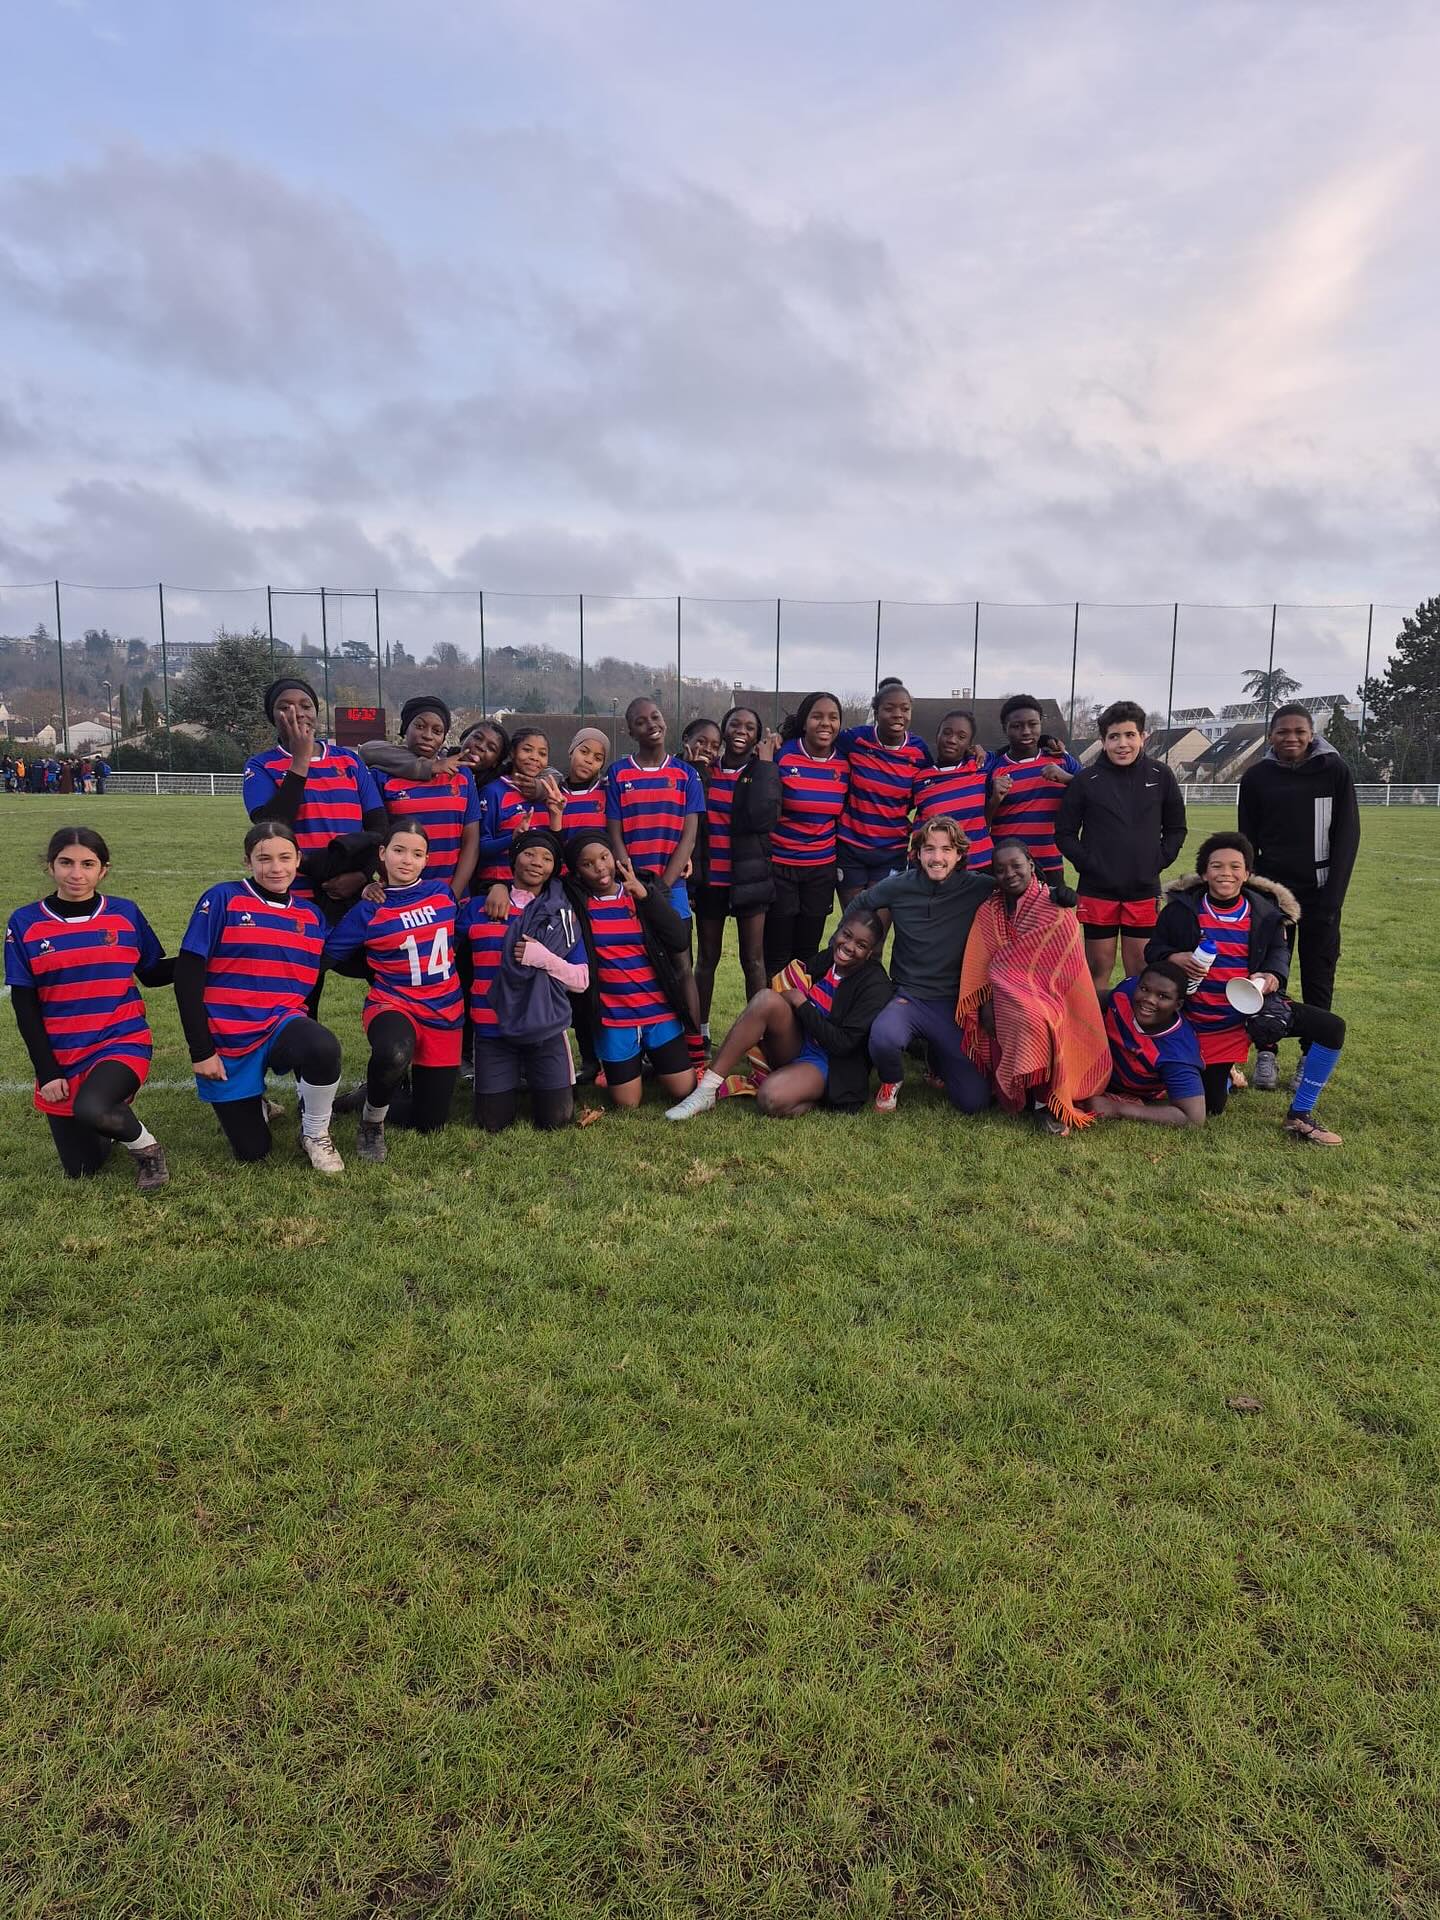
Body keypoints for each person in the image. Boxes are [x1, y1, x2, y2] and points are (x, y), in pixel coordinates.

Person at [1147, 831, 1343, 1143]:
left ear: (1248, 873)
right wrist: (1174, 956)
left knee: (1331, 1028)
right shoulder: (1181, 910)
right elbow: (1152, 951)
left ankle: (1299, 1115)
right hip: (1204, 1025)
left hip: (1252, 1012)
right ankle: (1222, 1074)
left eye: (1236, 867)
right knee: (1211, 1108)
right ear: (1203, 872)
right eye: (1217, 866)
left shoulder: (1265, 913)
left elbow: (1279, 953)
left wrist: (1272, 977)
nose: (1226, 873)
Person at [5, 826, 172, 1189]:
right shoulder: (26, 923)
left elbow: (155, 972)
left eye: (87, 864)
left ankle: (147, 1149)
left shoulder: (125, 913)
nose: (76, 874)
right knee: (82, 1168)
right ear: (50, 866)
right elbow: (25, 1003)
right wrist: (47, 1072)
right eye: (66, 863)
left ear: (103, 870)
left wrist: (207, 958)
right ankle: (107, 1120)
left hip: (121, 1040)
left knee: (92, 1107)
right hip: (63, 1051)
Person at [175, 821, 346, 1172]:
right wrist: (202, 1051)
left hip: (280, 1022)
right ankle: (256, 1102)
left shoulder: (310, 915)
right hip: (228, 1033)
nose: (276, 868)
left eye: (285, 857)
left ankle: (314, 1132)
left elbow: (322, 970)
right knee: (253, 1151)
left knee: (323, 1046)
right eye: (264, 858)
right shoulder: (222, 898)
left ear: (298, 859)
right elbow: (187, 976)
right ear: (247, 861)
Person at [322, 821, 463, 1161]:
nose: (406, 860)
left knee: (430, 1122)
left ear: (427, 860)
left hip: (446, 1011)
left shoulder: (442, 895)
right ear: (383, 854)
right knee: (393, 1052)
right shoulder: (370, 907)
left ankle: (372, 1094)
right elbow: (330, 956)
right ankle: (372, 1124)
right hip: (394, 1003)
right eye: (399, 851)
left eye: (416, 854)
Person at [666, 907, 892, 1119]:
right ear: (839, 931)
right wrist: (790, 999)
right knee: (766, 998)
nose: (849, 946)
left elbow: (843, 1044)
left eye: (861, 945)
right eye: (847, 935)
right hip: (798, 1040)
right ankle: (706, 1090)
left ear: (870, 952)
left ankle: (815, 1096)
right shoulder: (828, 958)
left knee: (770, 1098)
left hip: (829, 1062)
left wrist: (801, 1004)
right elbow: (791, 988)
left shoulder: (875, 985)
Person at [1237, 703, 1360, 1090]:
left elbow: (1347, 837)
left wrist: (1332, 899)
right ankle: (1267, 1053)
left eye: (1299, 732)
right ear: (1271, 736)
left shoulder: (1334, 771)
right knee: (1270, 975)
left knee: (1319, 978)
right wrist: (1254, 895)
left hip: (1320, 895)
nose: (1291, 738)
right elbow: (1246, 842)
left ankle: (1310, 1056)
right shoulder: (1257, 777)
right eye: (1282, 731)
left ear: (1312, 734)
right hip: (1272, 898)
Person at [957, 839, 1111, 1135]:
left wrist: (1038, 995)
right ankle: (1021, 1090)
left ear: (1031, 864)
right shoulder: (989, 911)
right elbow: (981, 962)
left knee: (1039, 1018)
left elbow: (1068, 966)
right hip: (1001, 994)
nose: (1010, 873)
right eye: (1000, 870)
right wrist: (985, 1005)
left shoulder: (1056, 905)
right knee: (1024, 1014)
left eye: (1016, 865)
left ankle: (1045, 1102)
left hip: (1050, 994)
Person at [853, 816, 996, 1114]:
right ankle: (891, 1080)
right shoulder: (898, 886)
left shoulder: (978, 887)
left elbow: (1018, 888)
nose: (937, 858)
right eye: (929, 849)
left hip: (954, 1003)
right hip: (909, 996)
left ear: (960, 855)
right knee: (883, 1038)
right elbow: (860, 904)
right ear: (917, 853)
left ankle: (938, 1061)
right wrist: (842, 948)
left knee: (974, 1102)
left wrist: (1056, 895)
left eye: (946, 849)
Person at [457, 827, 588, 1133]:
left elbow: (581, 980)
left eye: (546, 858)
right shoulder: (480, 907)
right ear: (513, 860)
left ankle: (539, 1076)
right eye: (529, 854)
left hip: (545, 1027)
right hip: (492, 1028)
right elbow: (441, 941)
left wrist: (543, 957)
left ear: (554, 867)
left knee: (556, 1120)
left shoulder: (562, 915)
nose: (536, 862)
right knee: (492, 1123)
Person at [1056, 699, 1187, 994]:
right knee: (1097, 969)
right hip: (1097, 891)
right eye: (1114, 737)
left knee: (1140, 970)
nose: (1122, 744)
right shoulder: (1086, 780)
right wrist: (1090, 864)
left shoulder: (1160, 775)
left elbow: (1177, 828)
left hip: (1142, 889)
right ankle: (1098, 1037)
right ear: (1103, 741)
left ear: (1144, 736)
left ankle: (1133, 1035)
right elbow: (1064, 833)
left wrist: (1158, 860)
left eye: (1130, 735)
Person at [564, 827, 698, 1110]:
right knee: (627, 1103)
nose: (599, 868)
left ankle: (647, 1060)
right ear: (577, 872)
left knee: (683, 1089)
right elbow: (549, 873)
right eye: (587, 864)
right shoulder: (577, 903)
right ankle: (626, 1064)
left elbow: (679, 939)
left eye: (603, 857)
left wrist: (648, 897)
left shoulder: (641, 889)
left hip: (657, 1010)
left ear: (614, 856)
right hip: (614, 1016)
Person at [242, 676, 387, 919]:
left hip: (353, 891)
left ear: (316, 714)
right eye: (284, 707)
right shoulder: (260, 766)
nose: (297, 712)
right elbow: (271, 827)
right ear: (273, 717)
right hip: (293, 896)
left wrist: (362, 875)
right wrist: (300, 760)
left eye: (305, 706)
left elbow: (379, 827)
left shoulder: (349, 761)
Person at [606, 697, 705, 1040]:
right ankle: (645, 1042)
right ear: (630, 730)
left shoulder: (686, 774)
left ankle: (694, 1045)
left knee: (682, 964)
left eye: (656, 717)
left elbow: (688, 835)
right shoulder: (618, 774)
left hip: (671, 886)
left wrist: (661, 887)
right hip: (630, 884)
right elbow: (614, 832)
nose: (651, 724)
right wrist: (630, 877)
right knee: (637, 964)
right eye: (641, 721)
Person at [693, 706, 781, 1028]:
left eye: (749, 726)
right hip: (711, 881)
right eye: (734, 724)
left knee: (753, 961)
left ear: (758, 735)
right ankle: (699, 1033)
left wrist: (768, 765)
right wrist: (695, 767)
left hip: (750, 879)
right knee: (706, 959)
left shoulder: (763, 770)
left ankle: (758, 1036)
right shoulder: (704, 769)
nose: (741, 731)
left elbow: (763, 817)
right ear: (724, 730)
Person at [358, 696, 481, 897]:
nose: (428, 735)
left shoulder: (462, 775)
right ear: (406, 728)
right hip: (398, 894)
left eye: (437, 731)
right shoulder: (381, 775)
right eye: (420, 726)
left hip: (451, 893)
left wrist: (452, 895)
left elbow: (471, 842)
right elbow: (376, 836)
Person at [766, 690, 849, 976]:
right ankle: (772, 1017)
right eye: (817, 716)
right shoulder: (783, 754)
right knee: (777, 953)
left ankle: (799, 1018)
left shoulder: (845, 763)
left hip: (821, 869)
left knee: (807, 953)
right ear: (804, 722)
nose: (825, 723)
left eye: (833, 718)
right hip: (780, 867)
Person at [836, 678, 932, 908]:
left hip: (892, 850)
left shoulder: (919, 751)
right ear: (876, 711)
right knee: (854, 924)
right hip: (850, 847)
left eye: (905, 709)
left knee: (877, 930)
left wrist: (974, 753)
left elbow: (931, 784)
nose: (898, 714)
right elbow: (818, 743)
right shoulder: (854, 739)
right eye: (889, 708)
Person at [1084, 961, 1206, 1128]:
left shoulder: (1177, 1054)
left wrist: (1117, 1108)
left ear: (1177, 1005)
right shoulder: (1126, 992)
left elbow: (1193, 1118)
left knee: (1215, 1097)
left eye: (1163, 996)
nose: (1149, 999)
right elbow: (1102, 999)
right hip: (1095, 1062)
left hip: (1130, 1088)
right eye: (1144, 989)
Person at [984, 695, 1081, 882]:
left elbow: (1094, 789)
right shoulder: (994, 767)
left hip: (1050, 864)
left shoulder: (1061, 759)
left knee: (1051, 912)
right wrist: (995, 799)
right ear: (1005, 729)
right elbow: (982, 822)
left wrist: (1068, 779)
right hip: (1007, 866)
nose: (1026, 731)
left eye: (1032, 724)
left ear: (1040, 725)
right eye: (1017, 726)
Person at [475, 727, 564, 887]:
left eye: (542, 754)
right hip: (499, 886)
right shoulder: (493, 792)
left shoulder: (551, 794)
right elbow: (480, 847)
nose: (535, 758)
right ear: (512, 753)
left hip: (538, 890)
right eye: (527, 750)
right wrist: (513, 839)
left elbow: (555, 850)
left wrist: (556, 817)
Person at [912, 708, 993, 871]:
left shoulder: (981, 766)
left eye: (961, 737)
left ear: (969, 744)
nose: (952, 740)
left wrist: (1046, 741)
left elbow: (1014, 752)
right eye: (947, 733)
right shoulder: (920, 778)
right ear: (937, 736)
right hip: (937, 870)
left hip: (980, 868)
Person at [555, 727, 610, 839]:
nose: (589, 760)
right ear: (571, 752)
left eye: (598, 758)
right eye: (584, 752)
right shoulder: (555, 793)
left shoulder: (608, 792)